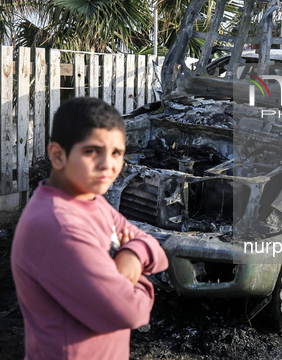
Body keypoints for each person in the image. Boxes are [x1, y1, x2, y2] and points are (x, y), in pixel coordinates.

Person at [11, 97, 168, 359]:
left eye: (117, 152)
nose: (108, 165)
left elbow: (155, 249)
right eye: (92, 151)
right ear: (58, 155)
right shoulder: (59, 226)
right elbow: (133, 312)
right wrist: (139, 279)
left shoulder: (91, 201)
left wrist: (131, 256)